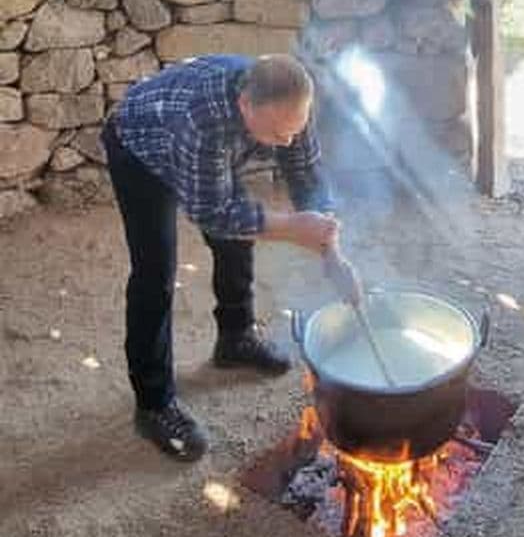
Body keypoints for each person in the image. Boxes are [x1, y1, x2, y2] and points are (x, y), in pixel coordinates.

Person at [102, 52, 359, 462]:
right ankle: (153, 405)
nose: (288, 141)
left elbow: (305, 172)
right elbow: (214, 213)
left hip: (201, 148)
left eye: (295, 129)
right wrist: (294, 228)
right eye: (278, 133)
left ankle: (235, 339)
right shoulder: (201, 120)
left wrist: (332, 250)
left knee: (238, 240)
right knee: (156, 271)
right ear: (245, 106)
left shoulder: (290, 100)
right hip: (141, 149)